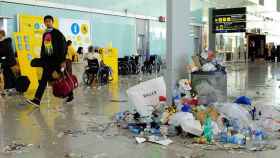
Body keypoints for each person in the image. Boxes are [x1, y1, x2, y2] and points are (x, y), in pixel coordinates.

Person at [26, 15, 74, 107]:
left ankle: (70, 94)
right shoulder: (45, 34)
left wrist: (63, 61)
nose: (47, 23)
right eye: (46, 21)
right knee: (44, 80)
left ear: (52, 22)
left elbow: (63, 46)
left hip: (57, 60)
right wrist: (42, 58)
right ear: (44, 23)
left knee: (62, 77)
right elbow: (44, 47)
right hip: (48, 61)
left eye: (49, 21)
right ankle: (37, 100)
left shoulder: (57, 33)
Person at [0, 30, 17, 94]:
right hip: (5, 61)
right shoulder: (3, 42)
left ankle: (11, 87)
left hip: (10, 61)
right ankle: (10, 87)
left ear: (2, 34)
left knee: (9, 74)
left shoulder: (7, 41)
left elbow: (4, 51)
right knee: (8, 74)